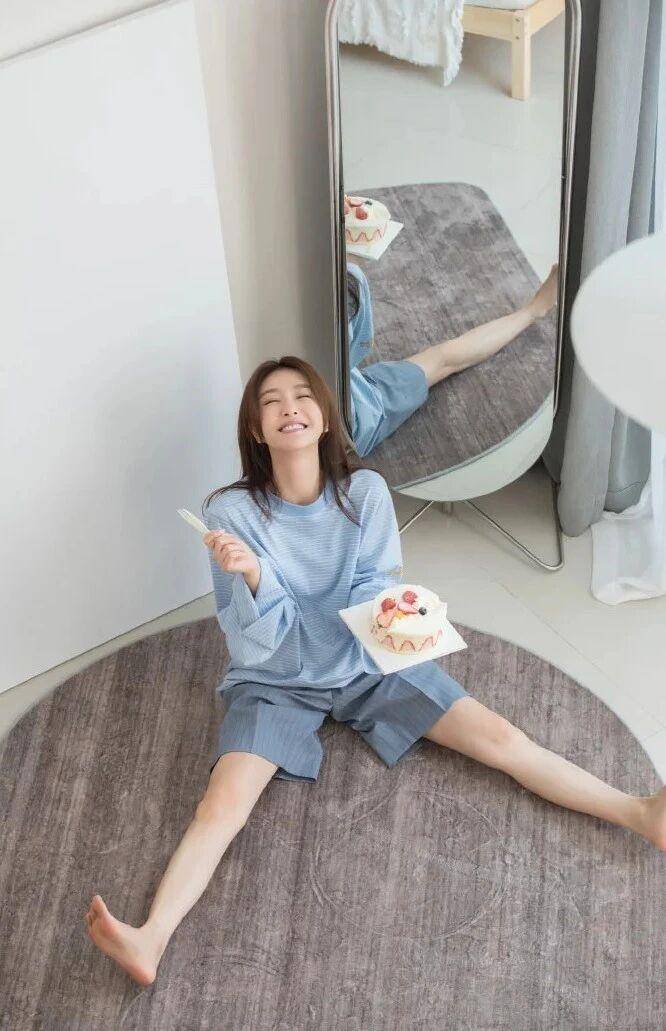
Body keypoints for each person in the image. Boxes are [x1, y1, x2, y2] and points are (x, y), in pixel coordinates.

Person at [84, 355, 666, 986]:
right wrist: (253, 577)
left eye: (303, 396)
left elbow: (374, 586)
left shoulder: (365, 493)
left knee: (499, 738)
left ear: (324, 417)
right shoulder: (228, 514)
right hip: (276, 677)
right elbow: (250, 645)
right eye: (271, 402)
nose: (289, 409)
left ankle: (640, 813)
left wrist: (397, 618)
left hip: (365, 661)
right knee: (223, 802)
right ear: (255, 428)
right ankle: (150, 938)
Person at [346, 255, 559, 457]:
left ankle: (533, 310)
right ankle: (533, 310)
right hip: (351, 417)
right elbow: (358, 348)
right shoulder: (348, 286)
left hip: (339, 404)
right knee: (443, 359)